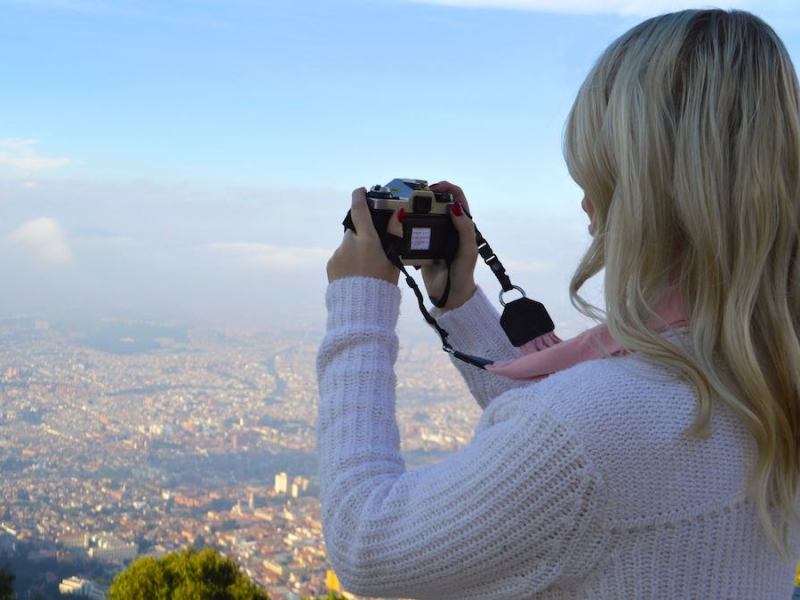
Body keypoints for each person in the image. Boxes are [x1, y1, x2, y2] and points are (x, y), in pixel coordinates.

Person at [317, 9, 800, 599]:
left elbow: (366, 545)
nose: (588, 209)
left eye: (600, 181)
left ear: (649, 192)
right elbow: (582, 475)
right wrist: (458, 301)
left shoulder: (595, 432)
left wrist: (359, 303)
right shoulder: (763, 375)